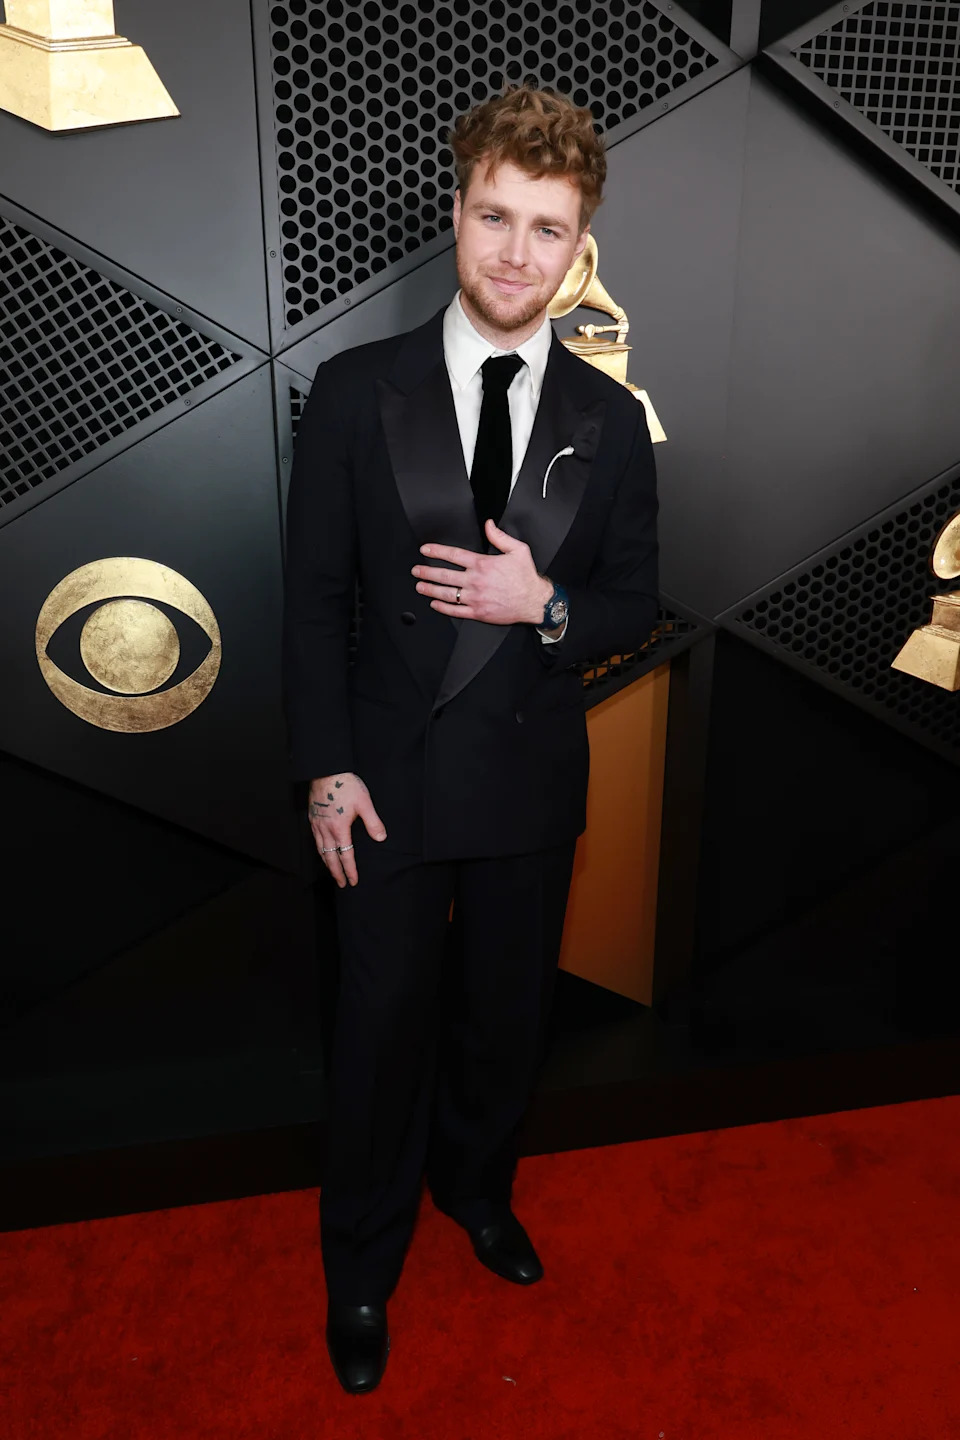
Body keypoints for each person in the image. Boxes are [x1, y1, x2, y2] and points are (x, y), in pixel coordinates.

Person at [282, 85, 659, 1394]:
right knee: (379, 1030)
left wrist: (541, 602)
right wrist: (325, 771)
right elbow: (314, 601)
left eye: (547, 229)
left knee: (506, 1025)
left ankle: (479, 1192)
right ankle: (362, 1264)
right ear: (456, 213)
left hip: (528, 782)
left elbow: (634, 602)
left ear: (579, 245)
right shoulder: (350, 392)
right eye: (495, 215)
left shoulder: (609, 424)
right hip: (383, 786)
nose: (515, 252)